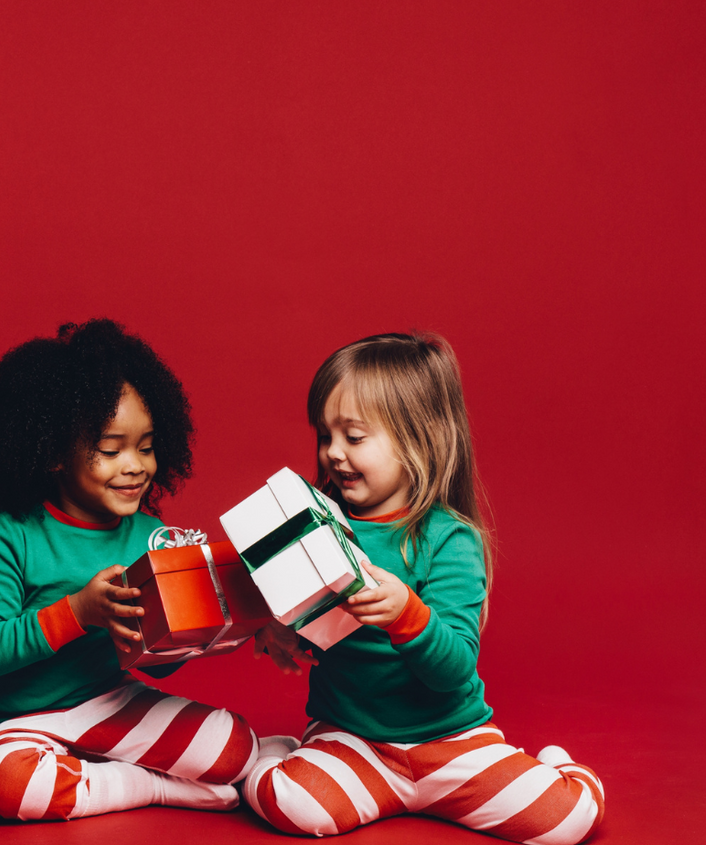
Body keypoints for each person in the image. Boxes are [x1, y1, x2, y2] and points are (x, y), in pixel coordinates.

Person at [245, 332, 604, 844]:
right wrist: (277, 629)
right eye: (326, 436)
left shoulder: (449, 538)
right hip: (353, 739)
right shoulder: (318, 525)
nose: (333, 454)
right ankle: (282, 755)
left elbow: (454, 668)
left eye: (354, 436)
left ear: (418, 439)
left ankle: (556, 767)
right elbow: (314, 623)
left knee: (568, 821)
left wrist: (405, 614)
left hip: (451, 739)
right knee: (293, 806)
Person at [0, 319, 258, 821]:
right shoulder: (14, 532)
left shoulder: (150, 537)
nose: (135, 466)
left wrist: (199, 632)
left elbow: (156, 659)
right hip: (19, 722)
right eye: (111, 450)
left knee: (236, 749)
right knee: (8, 788)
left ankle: (96, 777)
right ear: (51, 453)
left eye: (147, 446)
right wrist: (78, 611)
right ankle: (152, 787)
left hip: (111, 704)